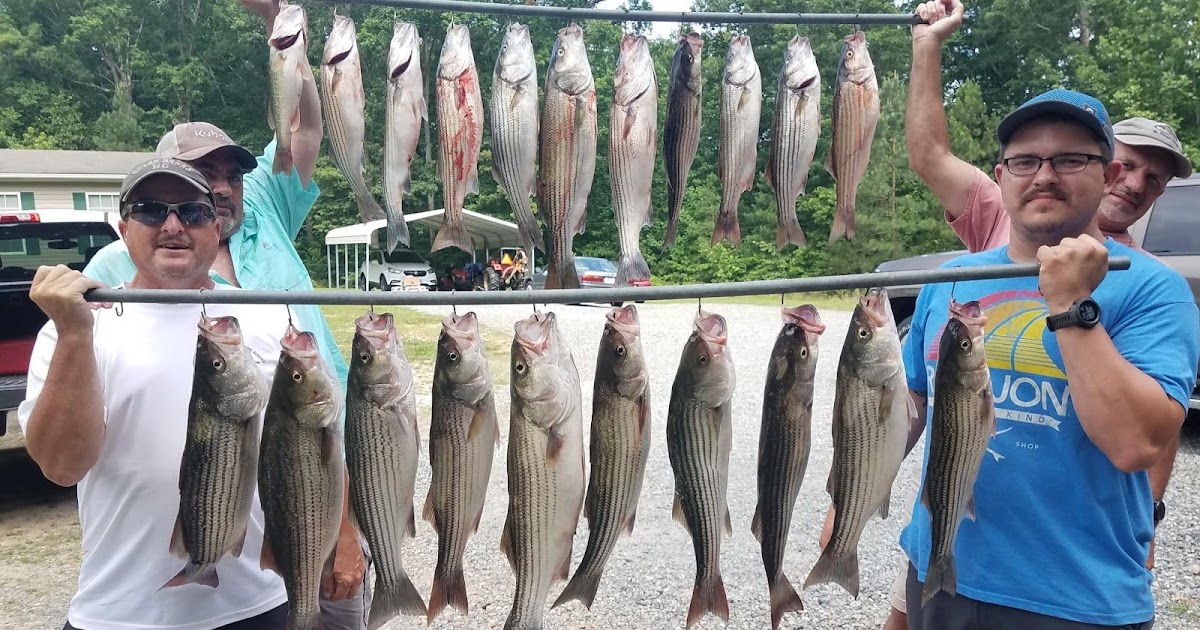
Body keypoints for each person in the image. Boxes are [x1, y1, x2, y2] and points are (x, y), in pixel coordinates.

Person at [874, 3, 1197, 628]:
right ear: (1002, 176)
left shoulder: (1155, 291)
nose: (1044, 175)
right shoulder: (955, 279)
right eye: (1026, 161)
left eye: (1070, 160)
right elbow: (912, 408)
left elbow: (1137, 444)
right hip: (941, 574)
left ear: (1106, 177)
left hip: (1076, 600)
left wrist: (1071, 304)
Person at [81, 124, 369, 628]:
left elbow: (305, 132)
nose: (220, 189)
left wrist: (345, 530)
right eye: (202, 175)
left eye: (231, 178)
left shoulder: (268, 226)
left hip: (314, 472)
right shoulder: (116, 266)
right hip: (187, 549)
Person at [19, 158, 294, 629]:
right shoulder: (79, 327)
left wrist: (346, 535)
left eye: (191, 211)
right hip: (120, 613)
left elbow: (315, 441)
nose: (172, 225)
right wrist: (73, 334)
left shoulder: (268, 316)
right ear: (124, 229)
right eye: (150, 211)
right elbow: (61, 467)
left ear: (215, 226)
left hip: (259, 604)